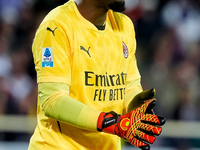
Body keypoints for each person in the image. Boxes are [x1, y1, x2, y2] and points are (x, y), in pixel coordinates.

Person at [28, 0, 166, 149]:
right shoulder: (56, 25)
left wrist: (135, 109)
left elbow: (129, 86)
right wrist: (112, 123)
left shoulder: (124, 24)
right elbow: (53, 100)